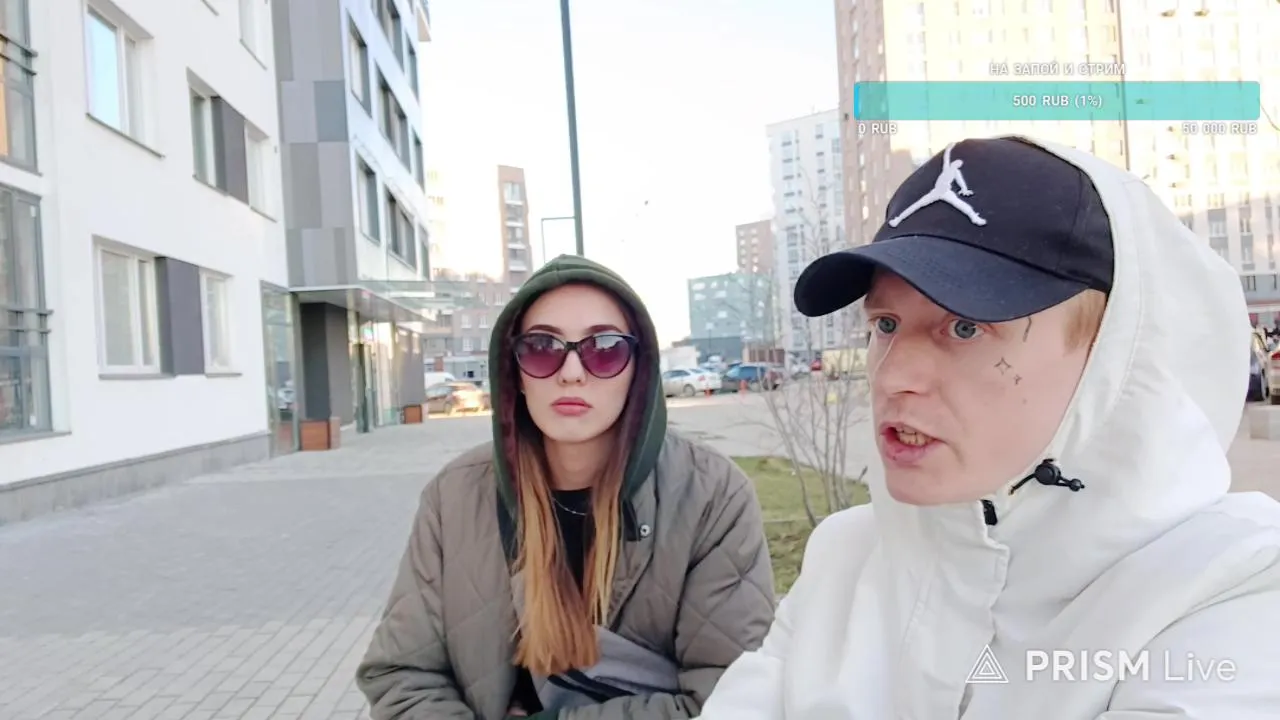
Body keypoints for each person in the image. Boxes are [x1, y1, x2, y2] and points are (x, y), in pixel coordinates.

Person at [696, 136, 1280, 718]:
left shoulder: (1234, 582)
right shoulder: (846, 559)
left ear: (1116, 358)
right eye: (886, 324)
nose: (892, 375)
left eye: (965, 328)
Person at [357, 255, 776, 720]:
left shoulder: (712, 496)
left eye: (605, 348)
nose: (572, 371)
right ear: (514, 372)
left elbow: (730, 697)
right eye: (542, 347)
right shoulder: (454, 497)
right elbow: (401, 676)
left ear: (638, 371)